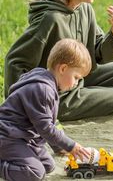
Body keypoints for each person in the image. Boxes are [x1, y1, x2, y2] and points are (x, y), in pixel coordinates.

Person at [0, 39, 92, 181]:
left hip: (27, 137)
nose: (76, 84)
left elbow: (51, 121)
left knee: (48, 165)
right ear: (63, 69)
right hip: (9, 136)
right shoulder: (43, 89)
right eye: (76, 78)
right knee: (35, 173)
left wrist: (58, 147)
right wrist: (70, 145)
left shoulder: (45, 80)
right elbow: (46, 128)